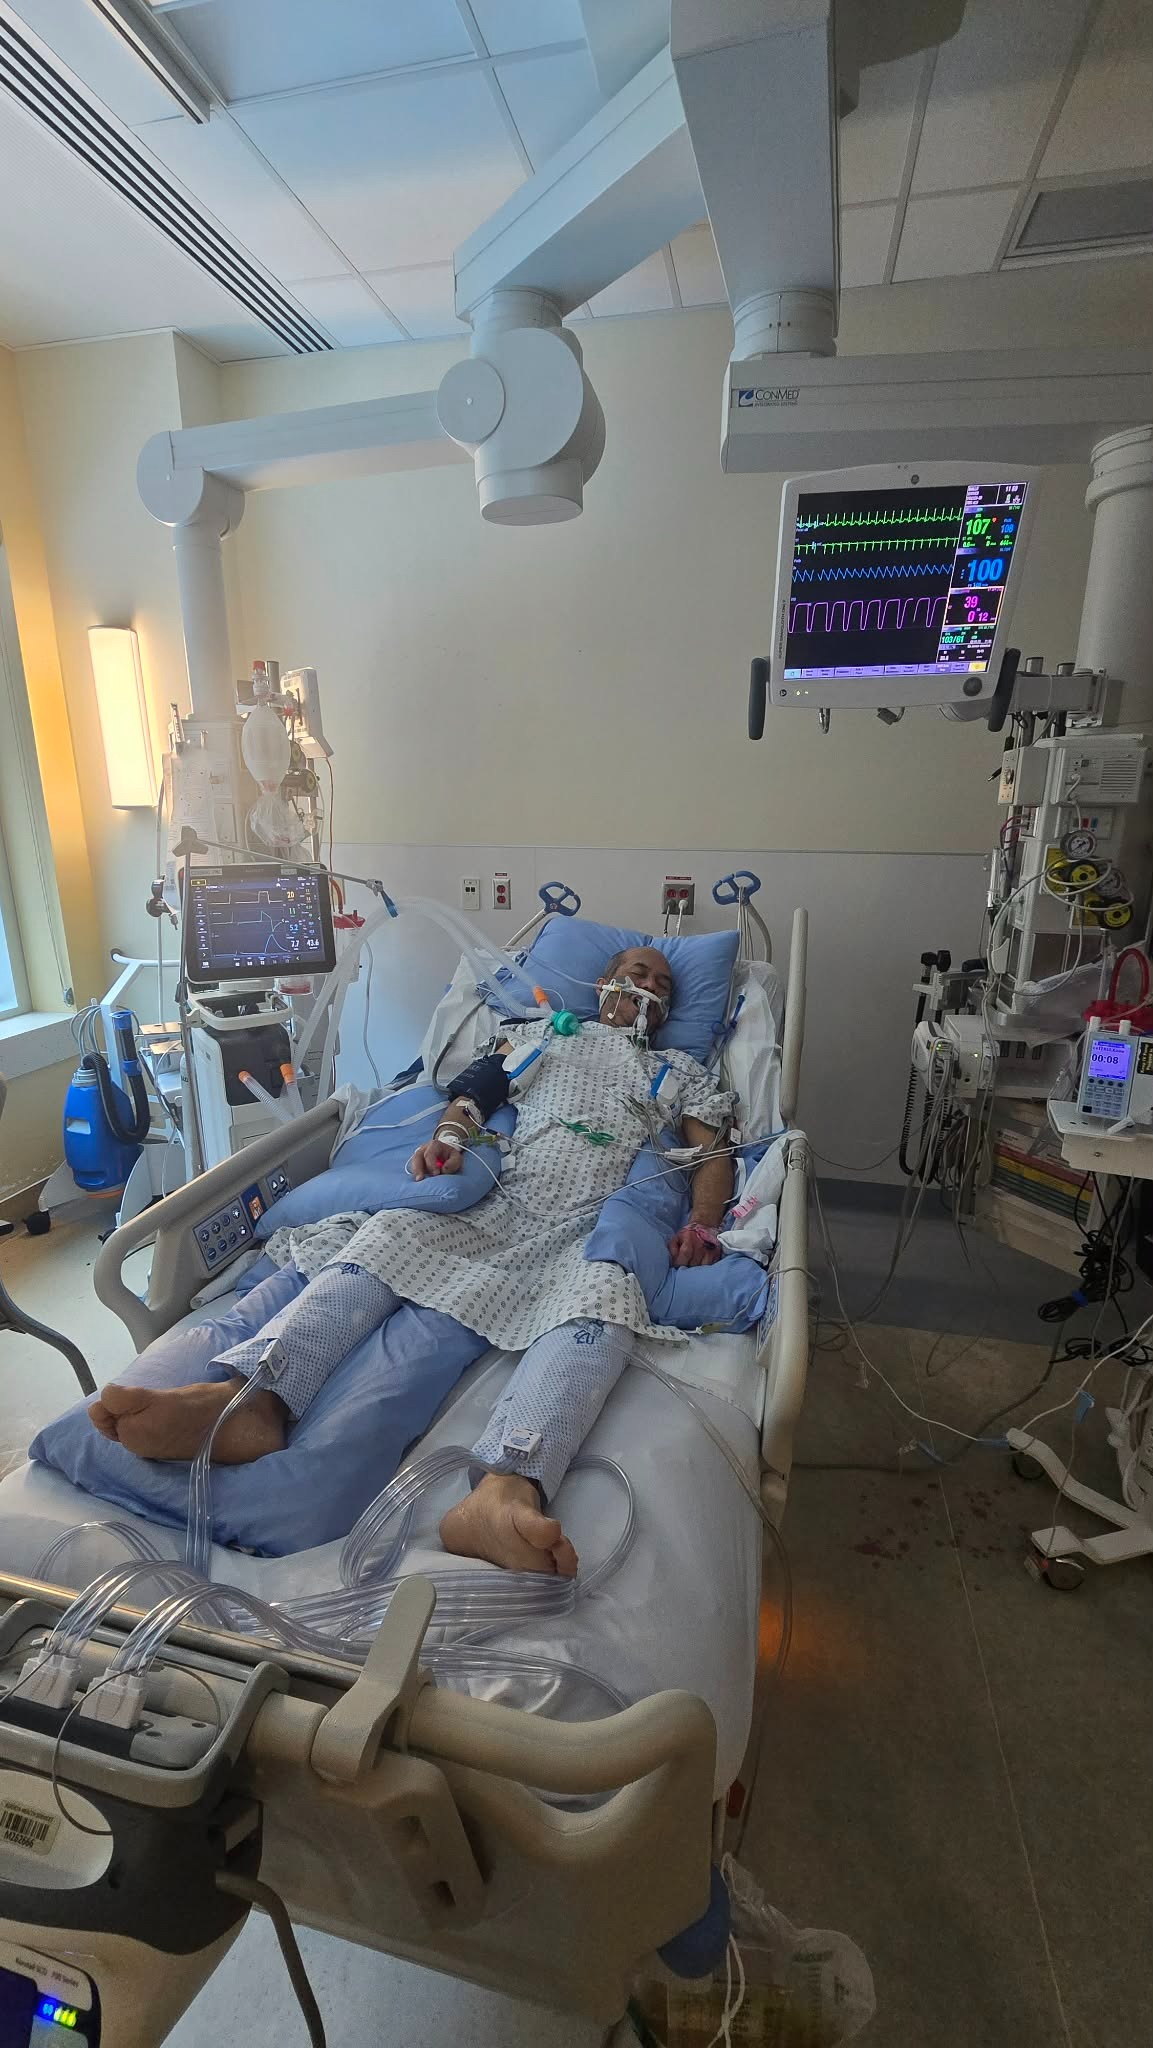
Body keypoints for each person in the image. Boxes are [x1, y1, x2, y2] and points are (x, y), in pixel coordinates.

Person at [90, 946, 734, 1575]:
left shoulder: (679, 1071)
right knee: (388, 1235)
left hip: (587, 1223)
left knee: (604, 1308)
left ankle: (505, 1489)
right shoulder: (544, 1034)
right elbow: (475, 1096)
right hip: (502, 1194)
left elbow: (712, 1156)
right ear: (605, 984)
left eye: (663, 985)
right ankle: (249, 1401)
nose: (649, 988)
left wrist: (702, 1225)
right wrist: (449, 1139)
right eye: (637, 973)